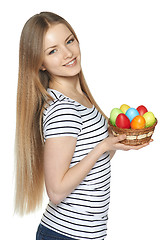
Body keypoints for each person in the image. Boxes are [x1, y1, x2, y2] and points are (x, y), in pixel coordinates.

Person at [15, 12, 151, 240]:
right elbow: (56, 191)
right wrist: (102, 146)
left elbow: (91, 165)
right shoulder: (63, 109)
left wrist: (115, 144)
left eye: (69, 40)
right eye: (53, 50)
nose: (68, 54)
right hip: (66, 235)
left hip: (83, 234)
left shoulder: (81, 98)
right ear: (40, 63)